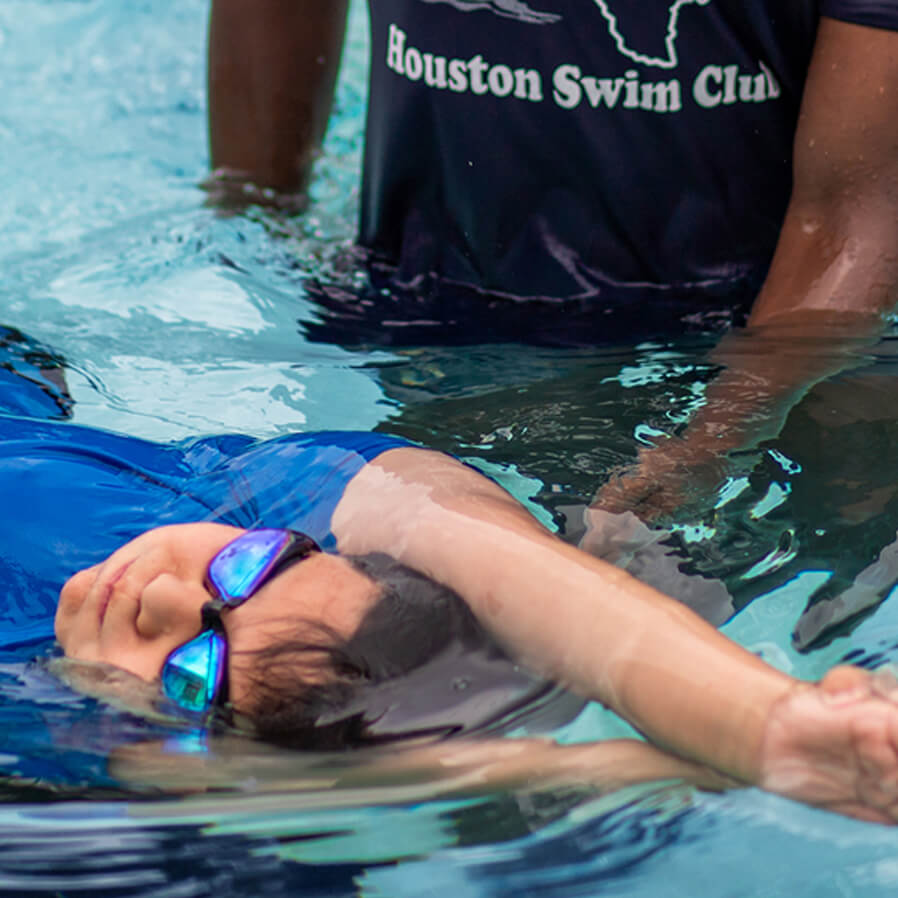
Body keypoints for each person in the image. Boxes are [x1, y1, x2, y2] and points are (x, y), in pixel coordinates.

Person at [6, 407, 898, 824]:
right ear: (294, 540)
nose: (158, 594)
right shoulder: (242, 494)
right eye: (242, 569)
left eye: (190, 672)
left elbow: (188, 775)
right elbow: (492, 557)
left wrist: (592, 766)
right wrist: (765, 723)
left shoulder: (46, 727)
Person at [204, 1, 898, 514]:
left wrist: (720, 433)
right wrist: (256, 220)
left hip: (745, 352)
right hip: (412, 323)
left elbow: (859, 210)